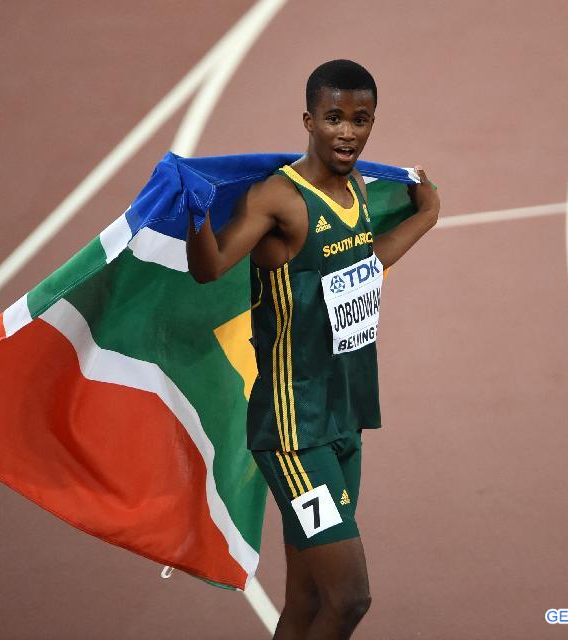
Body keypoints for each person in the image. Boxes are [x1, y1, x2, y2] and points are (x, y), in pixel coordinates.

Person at [186, 59, 439, 639]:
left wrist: (427, 213)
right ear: (308, 119)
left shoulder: (358, 193)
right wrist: (197, 212)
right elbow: (211, 267)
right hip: (295, 433)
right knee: (349, 598)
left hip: (343, 421)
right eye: (333, 118)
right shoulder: (280, 199)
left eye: (360, 120)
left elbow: (365, 262)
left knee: (304, 601)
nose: (348, 132)